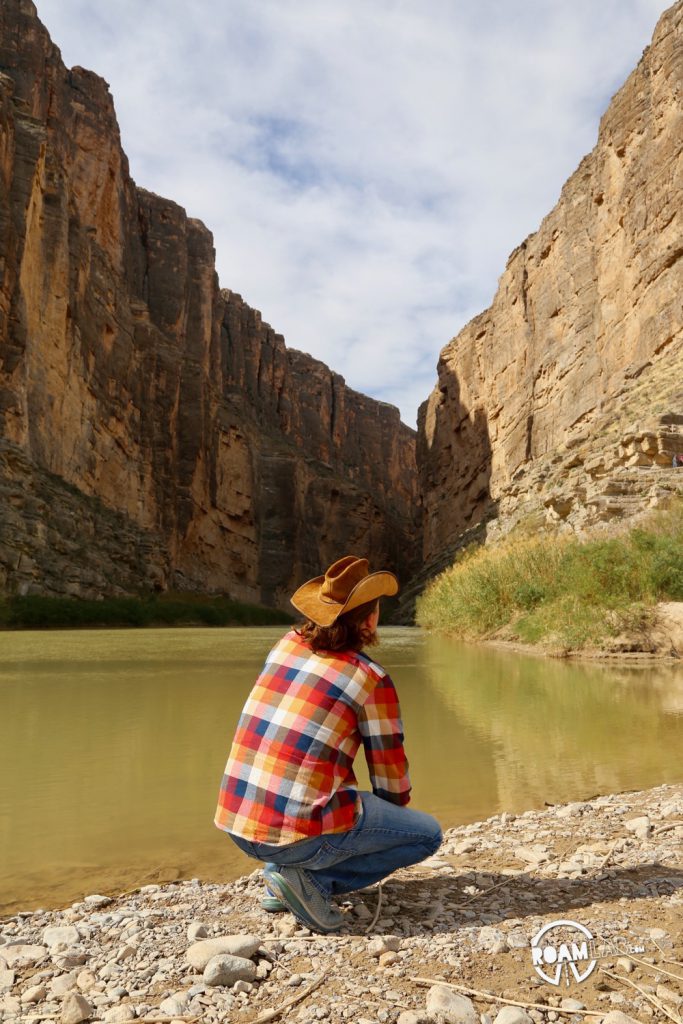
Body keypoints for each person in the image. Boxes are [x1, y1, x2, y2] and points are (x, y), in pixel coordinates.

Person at [214, 554, 442, 934]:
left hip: (235, 822)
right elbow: (390, 781)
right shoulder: (370, 678)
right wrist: (382, 825)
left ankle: (281, 875)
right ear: (369, 620)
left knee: (325, 798)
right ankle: (310, 883)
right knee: (426, 835)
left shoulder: (285, 645)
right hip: (289, 835)